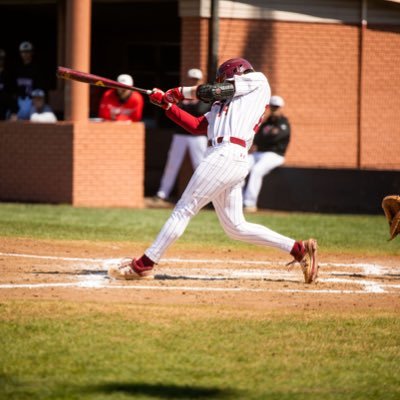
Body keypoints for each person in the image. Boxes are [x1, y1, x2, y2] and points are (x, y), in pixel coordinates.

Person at [108, 58, 318, 284]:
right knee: (236, 227)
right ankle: (298, 249)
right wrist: (167, 106)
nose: (220, 84)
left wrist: (177, 92)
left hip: (227, 153)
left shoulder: (256, 81)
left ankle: (144, 264)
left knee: (184, 208)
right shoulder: (224, 106)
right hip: (225, 157)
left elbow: (215, 90)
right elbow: (197, 125)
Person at [154, 68, 210, 205]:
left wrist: (183, 106)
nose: (193, 81)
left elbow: (199, 111)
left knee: (200, 165)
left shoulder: (204, 94)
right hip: (180, 134)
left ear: (200, 81)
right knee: (172, 164)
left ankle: (206, 196)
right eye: (191, 79)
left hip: (198, 136)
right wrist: (183, 106)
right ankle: (162, 193)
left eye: (196, 80)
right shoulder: (182, 93)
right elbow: (172, 109)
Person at [243, 95, 290, 212]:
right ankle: (235, 201)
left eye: (277, 107)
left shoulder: (284, 123)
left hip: (275, 155)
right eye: (272, 107)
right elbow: (257, 138)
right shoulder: (266, 123)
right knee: (241, 166)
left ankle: (249, 203)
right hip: (259, 153)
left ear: (281, 108)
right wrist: (268, 136)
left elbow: (276, 138)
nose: (274, 109)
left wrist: (265, 137)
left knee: (256, 170)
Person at [15, 41, 44, 120]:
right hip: (19, 100)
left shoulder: (37, 69)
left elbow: (40, 87)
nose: (25, 54)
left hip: (32, 100)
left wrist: (36, 101)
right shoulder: (17, 69)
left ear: (32, 53)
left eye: (27, 52)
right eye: (23, 52)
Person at [0, 49, 18, 120]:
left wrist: (13, 111)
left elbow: (12, 94)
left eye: (1, 58)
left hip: (5, 106)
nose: (0, 61)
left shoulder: (9, 74)